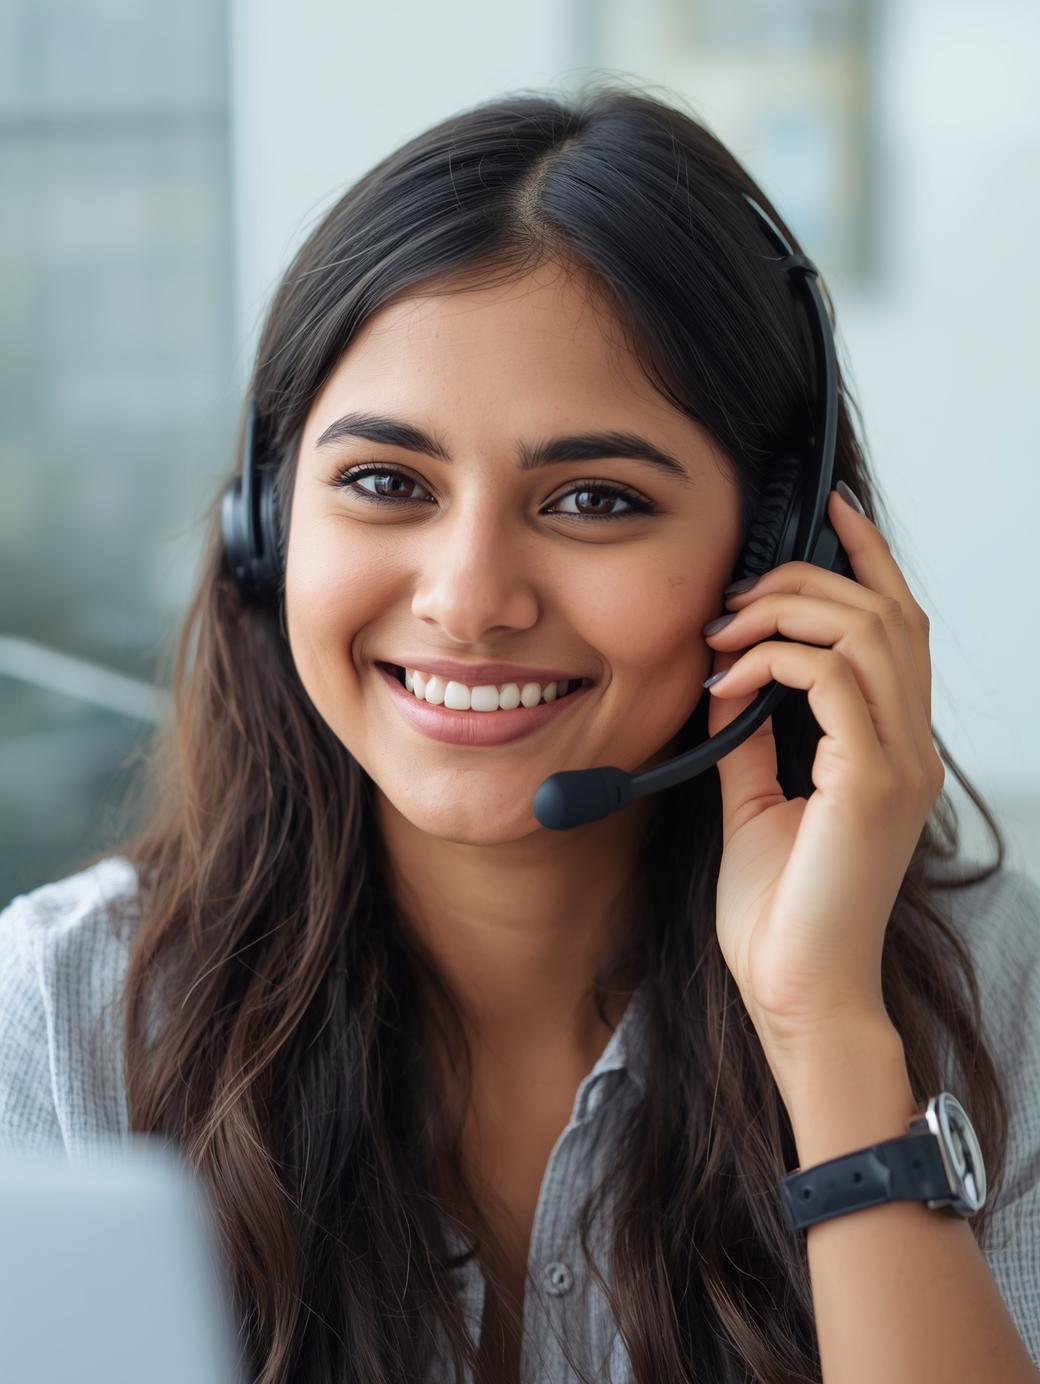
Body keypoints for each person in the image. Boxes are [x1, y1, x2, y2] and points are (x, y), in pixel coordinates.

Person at [2, 84, 1038, 1384]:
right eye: (387, 483)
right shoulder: (54, 1020)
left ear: (781, 554)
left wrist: (824, 1027)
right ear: (266, 529)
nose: (470, 599)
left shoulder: (1004, 1005)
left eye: (595, 500)